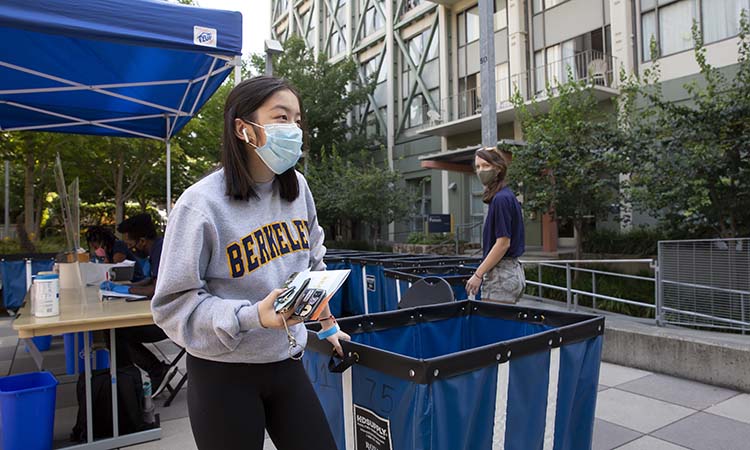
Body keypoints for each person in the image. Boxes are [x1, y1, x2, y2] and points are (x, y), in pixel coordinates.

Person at [151, 76, 347, 450]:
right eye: (281, 117)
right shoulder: (200, 204)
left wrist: (327, 327)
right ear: (244, 128)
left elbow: (313, 268)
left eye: (297, 119)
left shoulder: (297, 189)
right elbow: (172, 306)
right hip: (222, 372)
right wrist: (252, 315)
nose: (294, 130)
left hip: (286, 360)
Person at [99, 214, 176, 398]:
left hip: (169, 320)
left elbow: (156, 289)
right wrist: (127, 288)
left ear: (142, 241)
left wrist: (127, 291)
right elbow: (153, 279)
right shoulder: (157, 248)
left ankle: (151, 372)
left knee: (116, 332)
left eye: (130, 244)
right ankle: (130, 382)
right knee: (114, 330)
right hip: (164, 313)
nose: (129, 248)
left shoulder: (160, 250)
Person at [465, 147, 526, 303]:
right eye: (478, 167)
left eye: (486, 166)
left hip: (502, 275)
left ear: (498, 169)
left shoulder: (501, 199)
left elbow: (503, 243)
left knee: (495, 326)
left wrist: (478, 275)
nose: (481, 171)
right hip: (510, 272)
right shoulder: (506, 196)